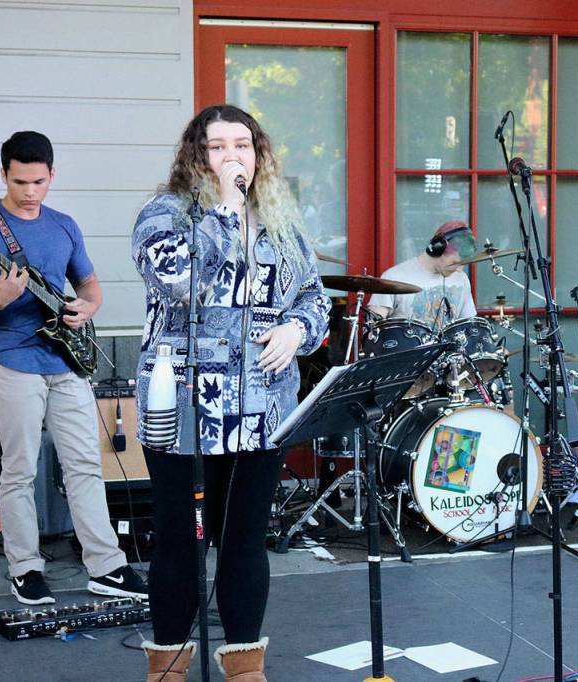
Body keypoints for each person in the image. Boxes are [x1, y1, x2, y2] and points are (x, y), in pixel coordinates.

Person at [131, 105, 330, 682]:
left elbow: (314, 299)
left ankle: (246, 667)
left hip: (263, 409)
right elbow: (176, 283)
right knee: (179, 544)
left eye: (241, 145)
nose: (232, 157)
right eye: (217, 147)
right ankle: (167, 668)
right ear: (197, 156)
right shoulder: (164, 214)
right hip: (185, 410)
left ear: (258, 152)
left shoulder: (280, 221)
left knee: (245, 541)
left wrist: (297, 331)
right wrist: (224, 210)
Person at [0, 131, 147, 606]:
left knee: (85, 463)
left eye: (39, 181)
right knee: (19, 470)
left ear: (52, 175)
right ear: (4, 175)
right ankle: (25, 569)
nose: (30, 191)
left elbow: (90, 283)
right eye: (20, 181)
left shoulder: (64, 225)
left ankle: (106, 566)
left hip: (65, 359)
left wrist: (88, 308)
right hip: (12, 359)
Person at [367, 220, 478, 332]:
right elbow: (371, 330)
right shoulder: (394, 276)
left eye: (463, 264)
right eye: (455, 262)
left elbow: (469, 327)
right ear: (437, 249)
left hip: (449, 349)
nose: (459, 270)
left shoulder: (461, 279)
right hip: (407, 349)